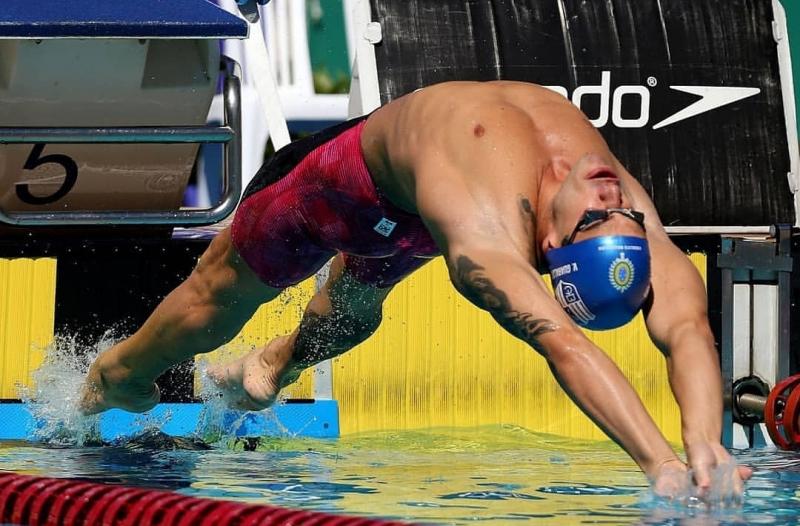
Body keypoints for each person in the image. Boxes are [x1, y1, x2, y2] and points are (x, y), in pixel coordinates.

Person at [80, 80, 751, 497]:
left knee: (323, 310)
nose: (613, 193)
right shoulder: (607, 202)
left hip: (386, 203)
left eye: (607, 214)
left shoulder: (494, 240)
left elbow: (579, 342)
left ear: (555, 249)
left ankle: (229, 370)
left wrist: (676, 457)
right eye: (621, 213)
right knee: (226, 306)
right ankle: (125, 372)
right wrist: (683, 449)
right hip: (365, 184)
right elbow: (678, 328)